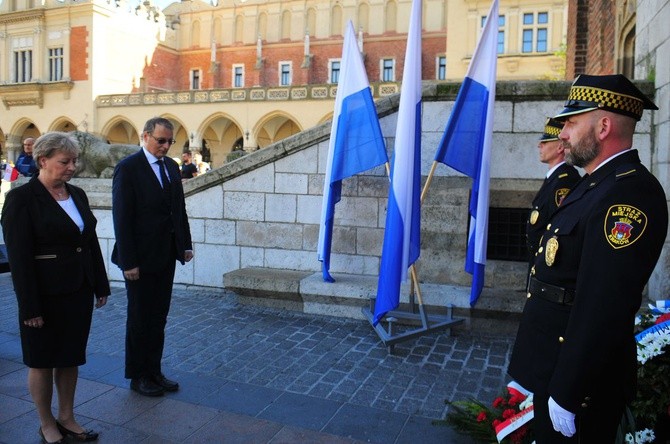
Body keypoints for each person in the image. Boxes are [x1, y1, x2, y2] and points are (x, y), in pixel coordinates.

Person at [508, 74, 668, 442]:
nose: (562, 135)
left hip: (581, 385)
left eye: (571, 123)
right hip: (555, 366)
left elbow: (604, 302)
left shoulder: (629, 194)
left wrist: (568, 389)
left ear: (604, 126)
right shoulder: (595, 183)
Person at [1, 132, 110, 444]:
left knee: (69, 356)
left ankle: (67, 416)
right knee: (41, 360)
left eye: (74, 161)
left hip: (78, 290)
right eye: (65, 162)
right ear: (43, 160)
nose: (71, 167)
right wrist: (29, 306)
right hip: (43, 295)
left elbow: (88, 242)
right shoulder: (21, 199)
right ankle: (46, 422)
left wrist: (100, 283)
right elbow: (19, 259)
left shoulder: (77, 194)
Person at [111, 117, 194, 397]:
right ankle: (138, 375)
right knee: (139, 317)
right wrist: (128, 261)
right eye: (161, 140)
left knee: (159, 316)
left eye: (170, 141)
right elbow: (122, 218)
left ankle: (154, 371)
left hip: (165, 255)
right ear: (145, 136)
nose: (166, 146)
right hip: (139, 259)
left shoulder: (171, 167)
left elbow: (178, 210)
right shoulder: (128, 168)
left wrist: (185, 244)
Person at [526, 117, 580, 268]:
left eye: (545, 142)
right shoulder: (554, 178)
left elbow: (558, 228)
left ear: (560, 148)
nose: (539, 145)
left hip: (548, 264)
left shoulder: (564, 181)